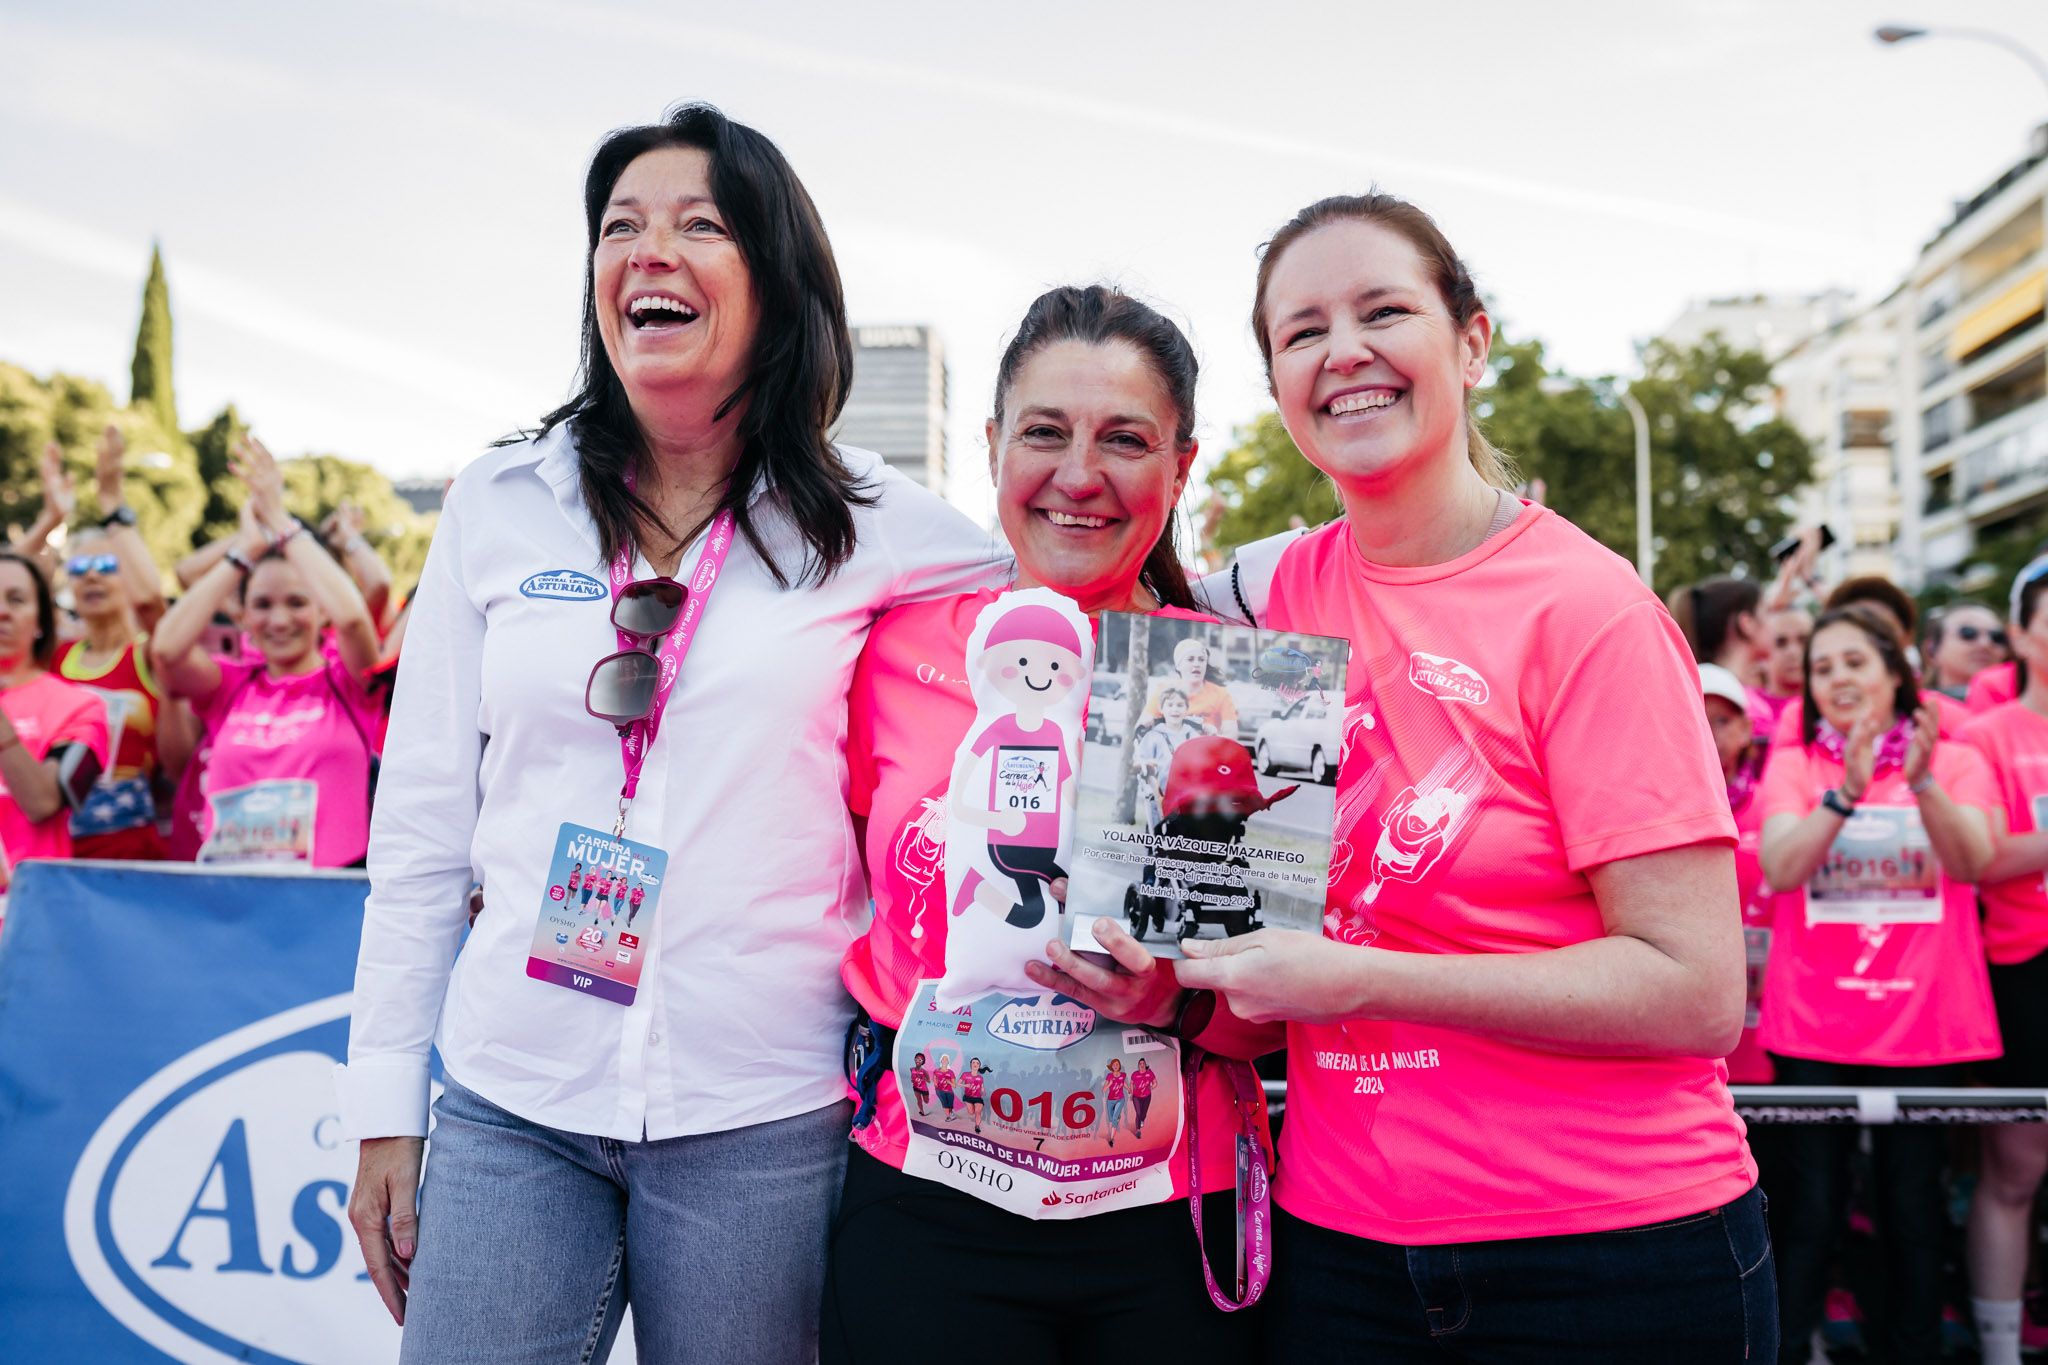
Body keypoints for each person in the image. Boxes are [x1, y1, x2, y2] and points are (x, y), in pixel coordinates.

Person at [336, 104, 997, 1365]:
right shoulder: (498, 503)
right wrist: (383, 1109)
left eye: (700, 224)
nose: (647, 251)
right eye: (619, 228)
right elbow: (419, 831)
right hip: (512, 1096)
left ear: (776, 281)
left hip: (762, 1112)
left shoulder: (877, 522)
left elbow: (1071, 591)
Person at [1156, 193, 1768, 1361]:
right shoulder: (1262, 603)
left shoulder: (1587, 608)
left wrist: (1357, 982)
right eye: (1301, 331)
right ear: (1277, 384)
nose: (1343, 351)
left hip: (1610, 1259)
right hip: (1340, 1257)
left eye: (1382, 312)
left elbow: (1693, 993)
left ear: (1470, 342)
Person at [828, 285, 1267, 1362]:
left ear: (1181, 467)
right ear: (990, 446)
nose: (1078, 475)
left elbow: (1282, 1010)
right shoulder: (888, 651)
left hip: (1169, 1215)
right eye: (1043, 432)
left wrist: (1180, 1005)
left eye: (1124, 439)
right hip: (927, 1202)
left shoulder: (1229, 684)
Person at [1756, 603, 1999, 1363]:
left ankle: (1913, 1348)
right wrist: (1844, 793)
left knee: (1913, 1210)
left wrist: (1921, 784)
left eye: (1855, 662)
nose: (1837, 679)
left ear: (1897, 673)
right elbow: (1780, 866)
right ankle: (1788, 1347)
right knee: (1811, 1211)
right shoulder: (1796, 763)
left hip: (1923, 1022)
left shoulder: (1953, 758)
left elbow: (1976, 860)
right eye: (1821, 667)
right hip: (1815, 1025)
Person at [151, 439, 381, 868]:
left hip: (329, 891)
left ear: (322, 609)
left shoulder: (348, 683)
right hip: (235, 892)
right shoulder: (231, 686)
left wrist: (281, 522)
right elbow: (166, 650)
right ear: (242, 615)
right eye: (261, 604)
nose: (278, 620)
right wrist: (243, 552)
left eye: (297, 603)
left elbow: (354, 621)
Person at [1961, 562, 2048, 1365]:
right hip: (2023, 969)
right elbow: (1982, 856)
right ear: (2020, 635)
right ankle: (1999, 1345)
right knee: (2016, 1168)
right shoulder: (1988, 734)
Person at [0, 552, 109, 898]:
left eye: (16, 600)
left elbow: (43, 802)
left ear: (41, 622)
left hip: (27, 910)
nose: (2, 611)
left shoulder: (79, 707)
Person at [1143, 636, 1238, 737]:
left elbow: (1231, 733)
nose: (1197, 664)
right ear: (1178, 666)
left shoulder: (1220, 694)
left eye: (1201, 660)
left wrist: (1214, 737)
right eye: (1190, 659)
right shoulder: (1164, 691)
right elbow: (1142, 727)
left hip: (1208, 746)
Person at [1921, 600, 2009, 703]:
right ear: (1931, 650)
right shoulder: (1916, 708)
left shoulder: (2022, 705)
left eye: (1997, 637)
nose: (1986, 643)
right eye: (1968, 633)